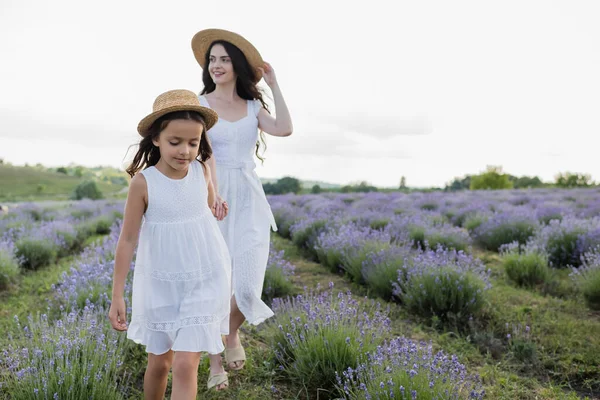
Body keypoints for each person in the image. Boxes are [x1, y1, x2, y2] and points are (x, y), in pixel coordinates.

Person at [108, 89, 232, 396]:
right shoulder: (143, 182)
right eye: (175, 142)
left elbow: (205, 210)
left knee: (186, 365)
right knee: (161, 364)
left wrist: (217, 201)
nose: (185, 151)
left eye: (193, 143)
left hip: (205, 277)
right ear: (156, 139)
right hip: (161, 283)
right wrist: (117, 295)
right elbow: (127, 240)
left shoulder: (202, 171)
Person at [190, 29, 293, 373]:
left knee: (247, 285)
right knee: (216, 280)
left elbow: (284, 128)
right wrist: (212, 192)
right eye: (212, 60)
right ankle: (215, 357)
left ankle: (230, 333)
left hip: (249, 197)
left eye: (225, 59)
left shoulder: (252, 107)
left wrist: (274, 84)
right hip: (212, 195)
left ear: (237, 67)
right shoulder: (200, 103)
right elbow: (202, 153)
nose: (216, 65)